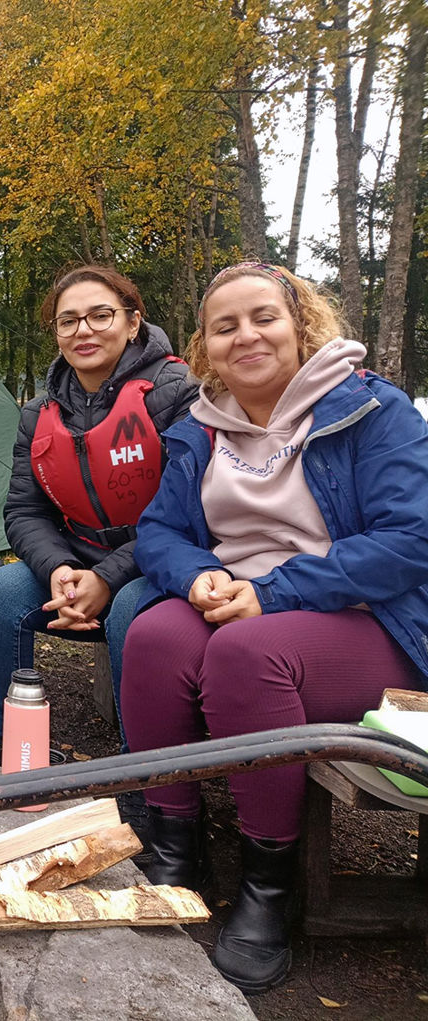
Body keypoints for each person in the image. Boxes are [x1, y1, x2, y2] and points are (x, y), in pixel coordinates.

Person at [120, 262, 428, 994]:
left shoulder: (370, 409)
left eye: (264, 317)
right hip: (241, 599)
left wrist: (273, 592)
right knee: (155, 637)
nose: (247, 336)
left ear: (301, 325)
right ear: (206, 346)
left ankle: (267, 886)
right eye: (225, 326)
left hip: (367, 619)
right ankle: (176, 846)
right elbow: (158, 530)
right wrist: (197, 575)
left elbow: (410, 539)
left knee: (245, 651)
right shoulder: (200, 428)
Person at [0, 265, 196, 767]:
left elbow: (188, 509)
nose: (83, 331)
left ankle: (142, 768)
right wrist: (58, 568)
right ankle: (1, 743)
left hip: (162, 563)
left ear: (133, 322)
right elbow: (24, 510)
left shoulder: (178, 392)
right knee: (1, 593)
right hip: (78, 557)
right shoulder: (39, 413)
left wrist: (108, 578)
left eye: (100, 315)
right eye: (68, 321)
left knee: (131, 607)